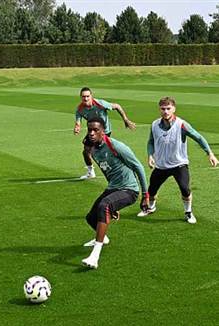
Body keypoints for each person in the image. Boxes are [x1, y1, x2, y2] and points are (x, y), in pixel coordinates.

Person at [137, 96, 219, 224]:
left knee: (185, 189)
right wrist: (150, 155)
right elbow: (151, 142)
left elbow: (198, 137)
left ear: (174, 109)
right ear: (159, 109)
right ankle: (151, 208)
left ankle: (188, 212)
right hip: (161, 165)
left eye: (168, 108)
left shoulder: (181, 125)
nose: (166, 111)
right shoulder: (154, 125)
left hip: (179, 164)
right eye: (163, 109)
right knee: (152, 189)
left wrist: (210, 154)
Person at [81, 117, 149, 269]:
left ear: (102, 131)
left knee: (104, 206)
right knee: (90, 217)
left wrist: (145, 195)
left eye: (95, 130)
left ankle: (95, 255)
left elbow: (139, 167)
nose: (91, 133)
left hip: (129, 190)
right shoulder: (94, 149)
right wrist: (114, 202)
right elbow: (107, 172)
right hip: (114, 188)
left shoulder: (116, 146)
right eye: (89, 130)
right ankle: (103, 238)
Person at [74, 87, 136, 179]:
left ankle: (127, 168)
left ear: (91, 96)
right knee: (86, 151)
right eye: (83, 97)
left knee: (107, 152)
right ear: (81, 97)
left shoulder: (100, 104)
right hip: (93, 132)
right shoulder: (80, 109)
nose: (86, 99)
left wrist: (125, 120)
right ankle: (91, 172)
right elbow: (78, 121)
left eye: (87, 96)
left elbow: (117, 106)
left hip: (104, 132)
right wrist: (77, 127)